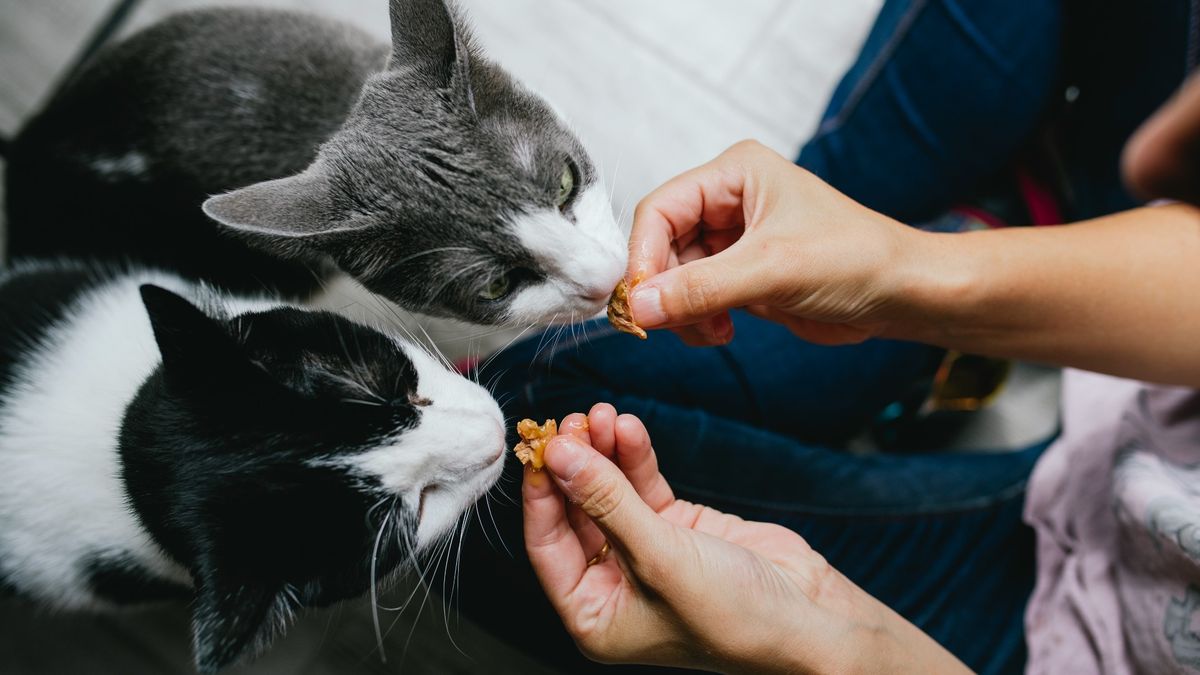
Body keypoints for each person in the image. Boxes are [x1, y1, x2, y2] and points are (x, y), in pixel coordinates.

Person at [443, 2, 1198, 673]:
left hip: (1065, 618)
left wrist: (832, 637)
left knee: (494, 488)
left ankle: (998, 212)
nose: (1159, 166)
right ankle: (1006, 216)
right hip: (1152, 403)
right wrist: (913, 273)